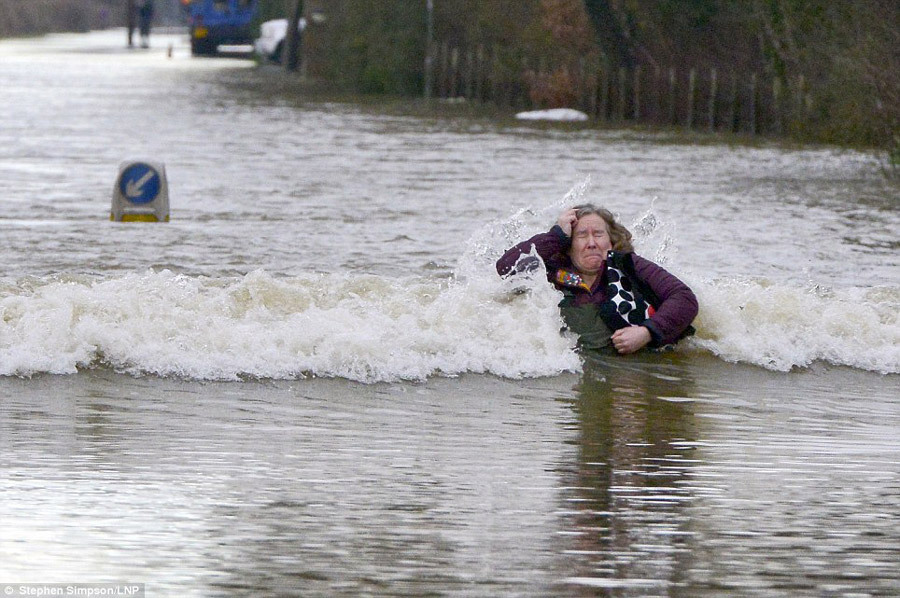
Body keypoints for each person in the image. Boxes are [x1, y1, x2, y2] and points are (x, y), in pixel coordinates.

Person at [496, 204, 698, 354]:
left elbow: (684, 298)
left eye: (599, 234)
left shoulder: (630, 266)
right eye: (582, 235)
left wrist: (647, 332)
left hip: (634, 372)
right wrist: (556, 236)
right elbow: (505, 268)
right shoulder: (551, 272)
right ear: (568, 244)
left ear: (611, 241)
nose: (592, 243)